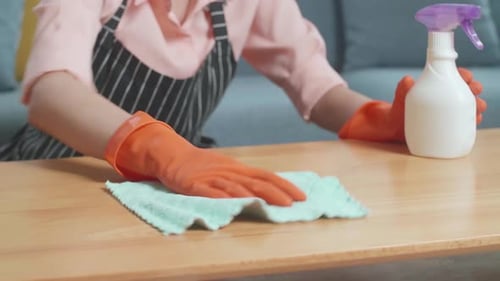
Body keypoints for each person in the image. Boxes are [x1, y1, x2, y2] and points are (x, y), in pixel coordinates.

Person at [0, 0, 486, 206]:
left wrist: (376, 117)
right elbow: (51, 91)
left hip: (172, 195)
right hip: (55, 180)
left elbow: (316, 87)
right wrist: (161, 150)